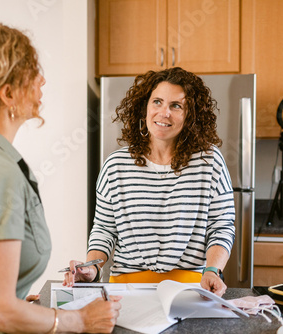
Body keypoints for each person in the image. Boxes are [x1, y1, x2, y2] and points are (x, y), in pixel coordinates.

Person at [0, 20, 121, 333]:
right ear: (8, 92)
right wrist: (80, 320)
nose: (42, 80)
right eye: (32, 72)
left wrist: (22, 307)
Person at [64, 67, 235, 297]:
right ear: (144, 107)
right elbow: (104, 230)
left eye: (176, 105)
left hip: (190, 289)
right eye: (157, 102)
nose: (164, 113)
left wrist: (214, 270)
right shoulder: (116, 165)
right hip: (125, 289)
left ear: (190, 115)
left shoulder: (209, 162)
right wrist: (92, 267)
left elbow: (221, 226)